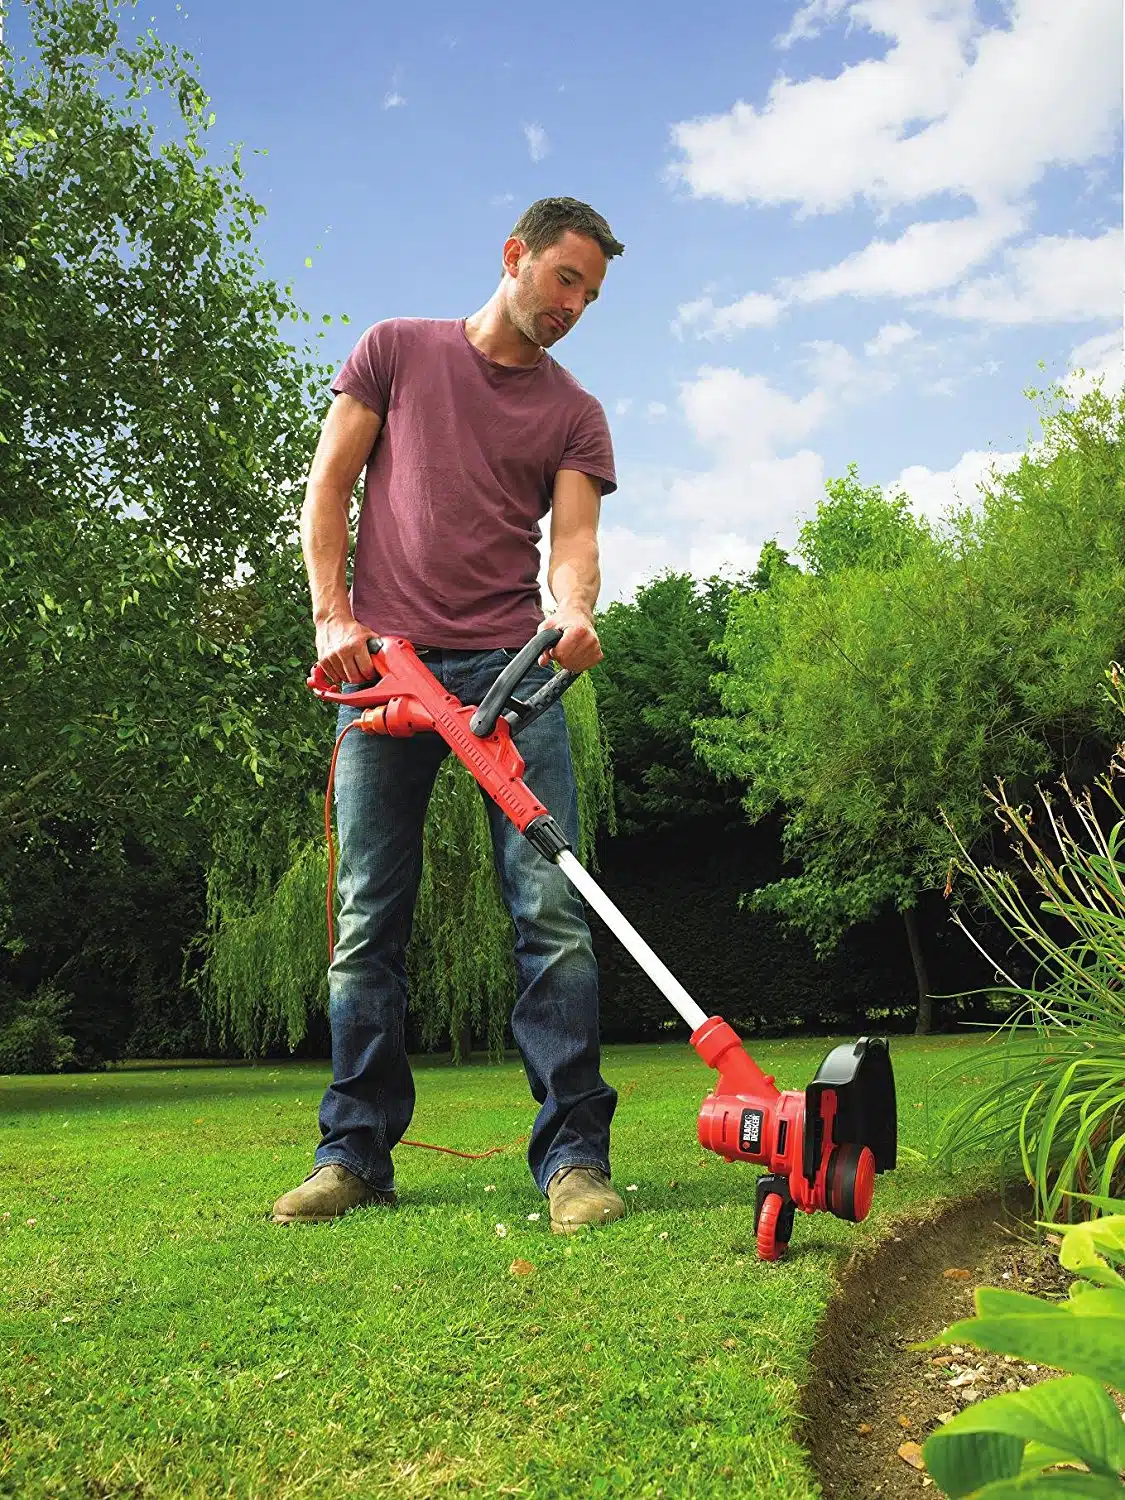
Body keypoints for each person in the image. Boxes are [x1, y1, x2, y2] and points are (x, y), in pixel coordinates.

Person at [271, 197, 627, 1234]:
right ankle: (353, 1156)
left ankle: (573, 1160)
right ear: (514, 255)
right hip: (385, 671)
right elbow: (329, 485)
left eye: (591, 296)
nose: (574, 306)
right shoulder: (394, 352)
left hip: (510, 676)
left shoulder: (575, 411)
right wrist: (333, 614)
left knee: (551, 914)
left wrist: (572, 610)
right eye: (565, 279)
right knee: (368, 923)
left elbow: (573, 542)